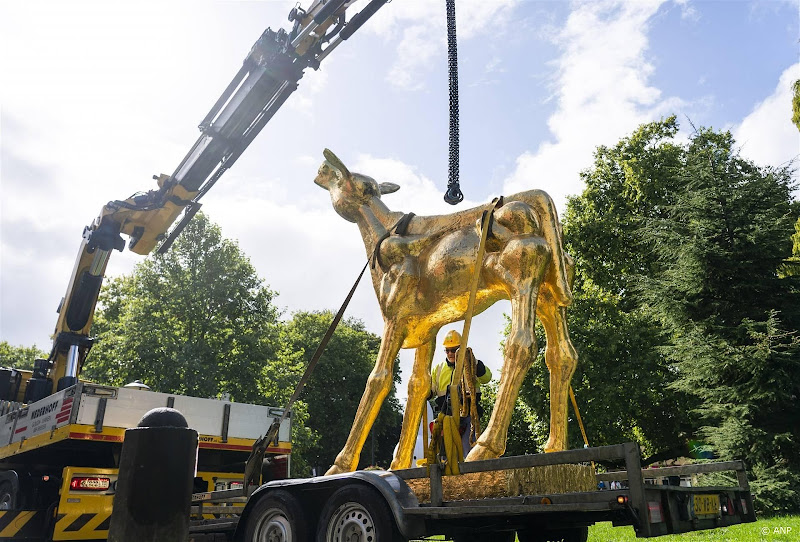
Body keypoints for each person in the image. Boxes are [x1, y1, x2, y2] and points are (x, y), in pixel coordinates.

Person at [429, 330, 492, 457]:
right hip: (447, 416)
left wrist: (477, 365)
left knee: (468, 449)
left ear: (461, 348)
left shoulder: (472, 364)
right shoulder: (439, 368)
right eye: (447, 350)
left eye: (454, 349)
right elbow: (431, 391)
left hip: (469, 415)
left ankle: (471, 473)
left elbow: (486, 378)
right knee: (446, 452)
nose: (451, 353)